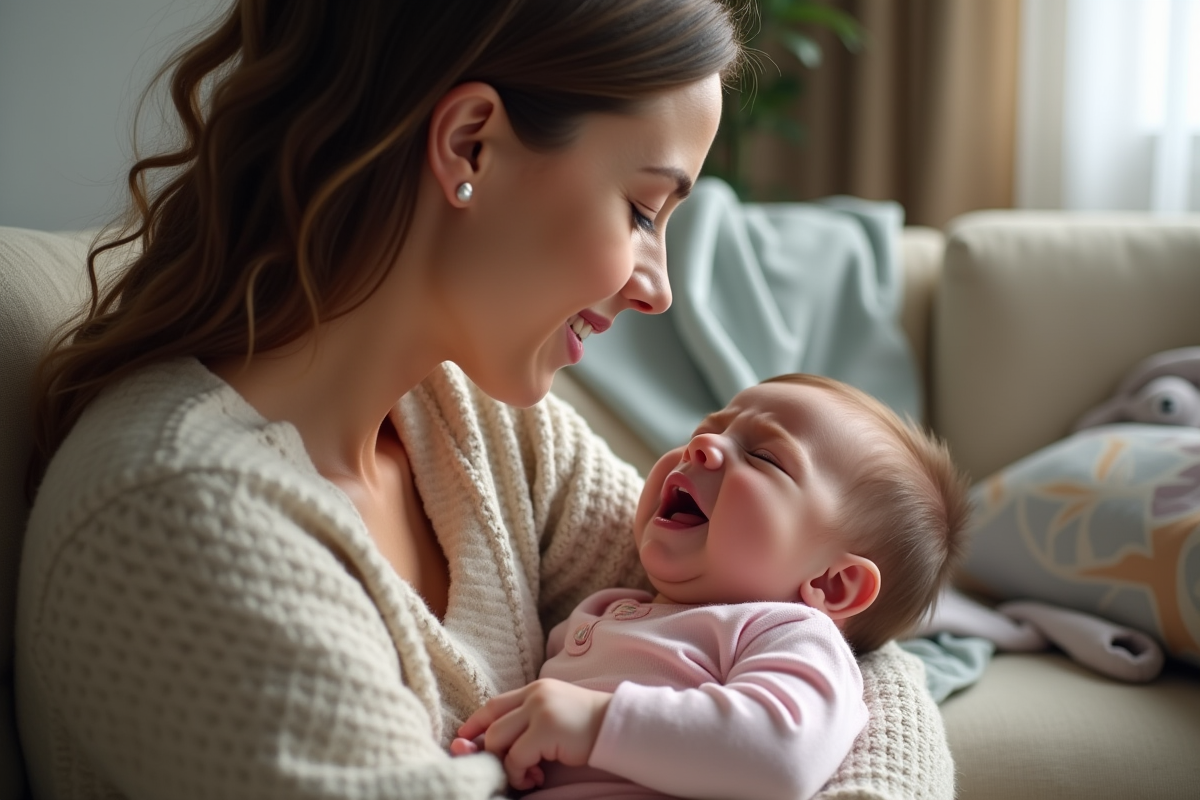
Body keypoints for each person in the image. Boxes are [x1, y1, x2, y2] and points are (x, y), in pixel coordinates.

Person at [13, 2, 957, 799]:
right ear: (472, 145)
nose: (656, 286)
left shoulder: (471, 418)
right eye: (640, 209)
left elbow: (833, 648)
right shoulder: (186, 522)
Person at [450, 374, 971, 799]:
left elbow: (783, 752)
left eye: (766, 457)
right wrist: (504, 748)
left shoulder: (786, 633)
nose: (703, 446)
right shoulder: (603, 610)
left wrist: (595, 723)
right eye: (710, 427)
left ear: (832, 585)